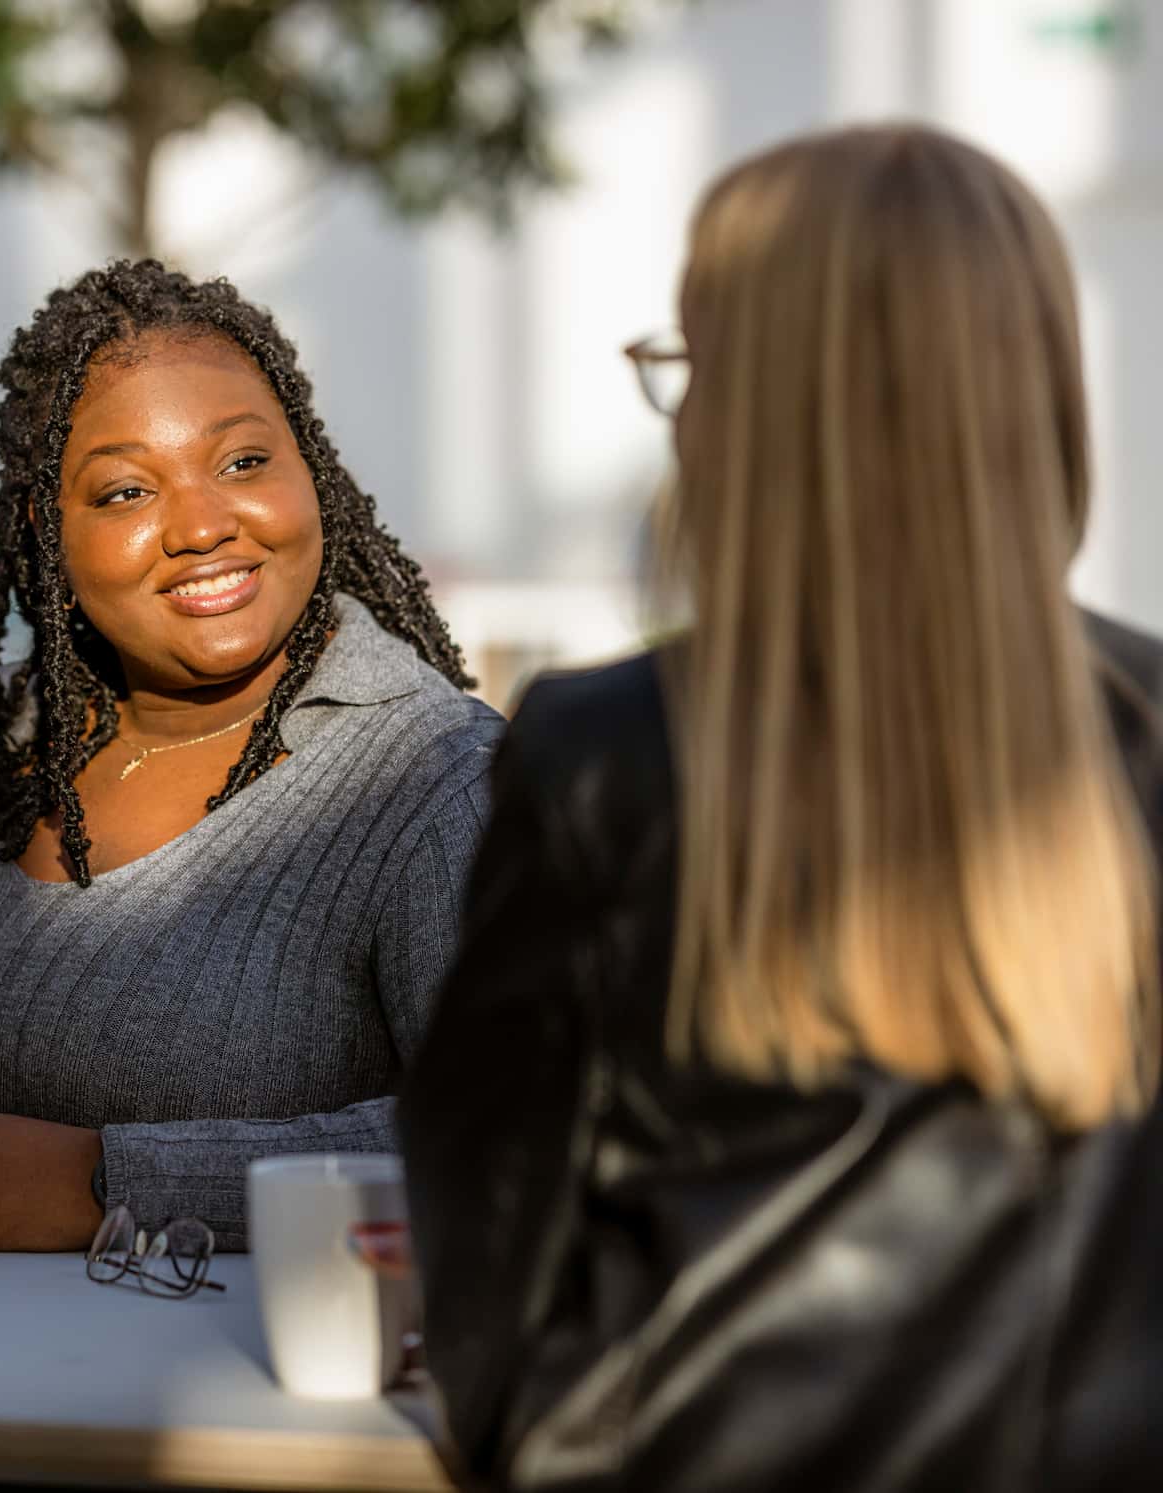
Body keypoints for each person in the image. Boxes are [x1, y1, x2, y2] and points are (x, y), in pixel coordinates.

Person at [401, 125, 1163, 1491]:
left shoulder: (606, 754)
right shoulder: (1151, 733)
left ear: (748, 412)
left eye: (687, 363)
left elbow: (491, 1294)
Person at [0, 259, 502, 1254]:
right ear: (46, 537)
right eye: (126, 489)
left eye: (242, 462)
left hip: (201, 1387)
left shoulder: (435, 783)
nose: (201, 525)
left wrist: (108, 1181)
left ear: (312, 470)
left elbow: (514, 1132)